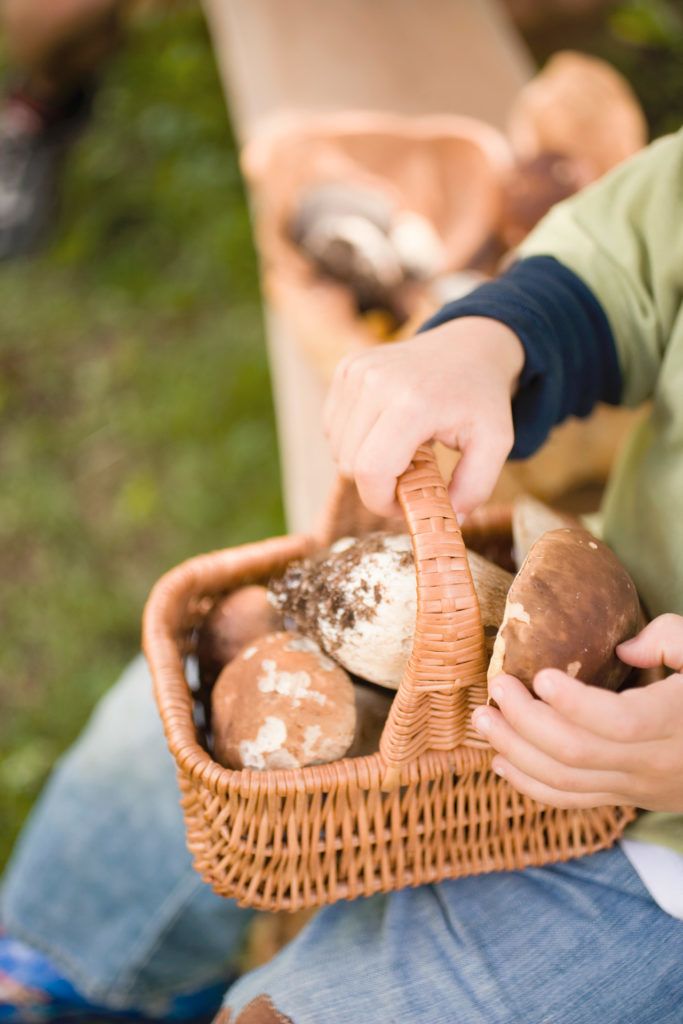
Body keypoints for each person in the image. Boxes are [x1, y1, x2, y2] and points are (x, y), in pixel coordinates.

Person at [3, 125, 683, 1024]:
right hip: (598, 595)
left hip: (663, 876)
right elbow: (637, 251)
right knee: (149, 772)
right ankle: (55, 986)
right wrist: (491, 335)